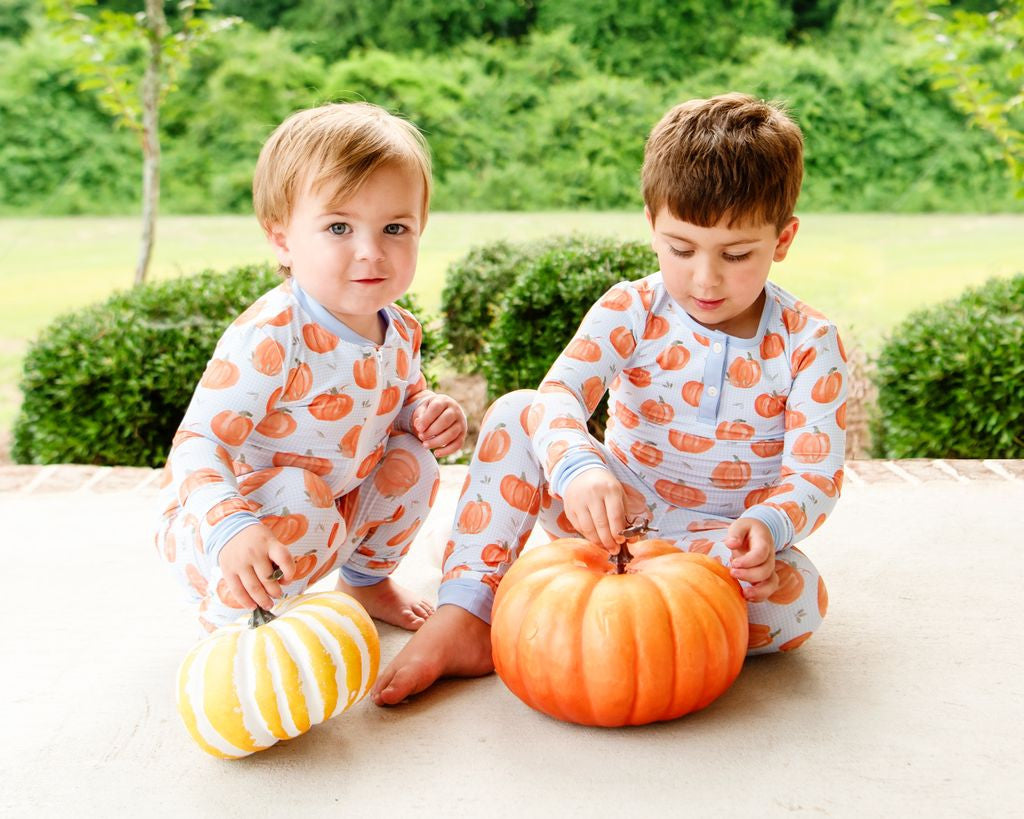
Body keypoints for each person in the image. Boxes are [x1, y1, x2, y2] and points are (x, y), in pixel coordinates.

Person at [372, 92, 848, 706]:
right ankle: (469, 608)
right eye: (681, 249)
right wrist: (578, 467)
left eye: (736, 255)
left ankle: (618, 624)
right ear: (652, 225)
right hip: (606, 519)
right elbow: (560, 395)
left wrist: (765, 526)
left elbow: (816, 476)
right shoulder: (632, 309)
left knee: (799, 601)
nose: (705, 280)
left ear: (783, 240)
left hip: (714, 548)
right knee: (520, 411)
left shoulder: (809, 342)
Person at [154, 102, 467, 634]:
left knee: (414, 461)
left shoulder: (400, 329)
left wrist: (426, 411)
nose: (371, 252)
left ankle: (365, 581)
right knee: (302, 492)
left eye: (395, 227)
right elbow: (199, 444)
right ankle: (238, 627)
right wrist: (229, 525)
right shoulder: (274, 336)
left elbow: (399, 400)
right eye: (339, 227)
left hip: (330, 510)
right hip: (230, 530)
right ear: (282, 238)